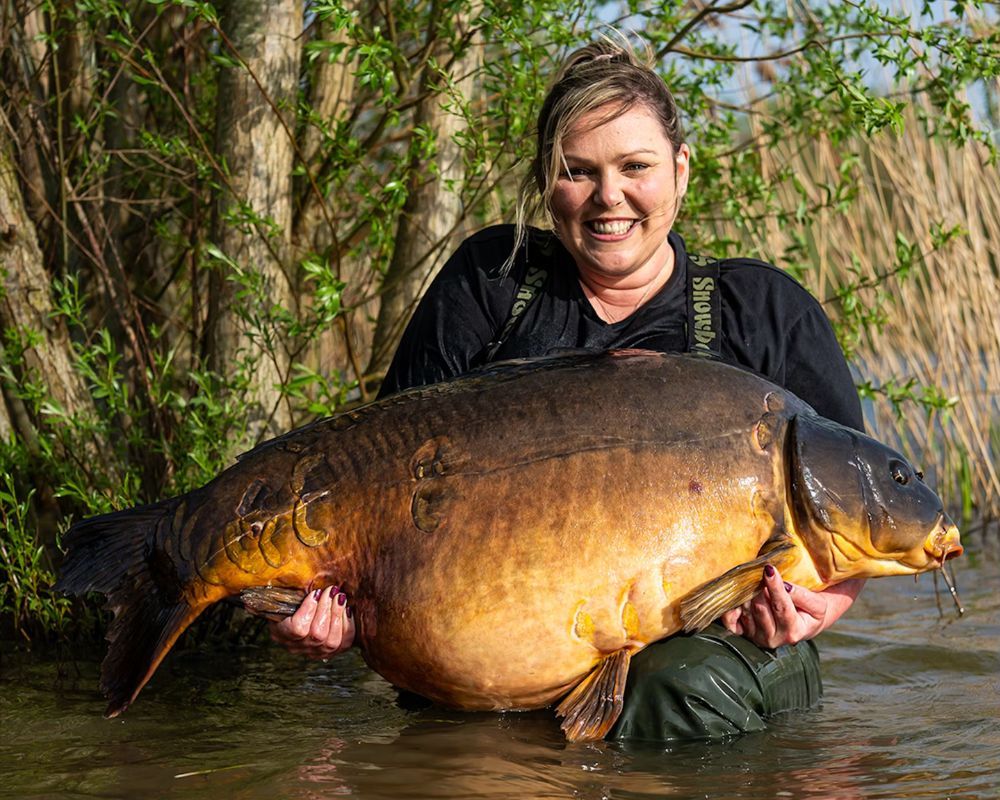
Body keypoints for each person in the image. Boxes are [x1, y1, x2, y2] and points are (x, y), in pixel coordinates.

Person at [270, 38, 866, 741]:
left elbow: (859, 515)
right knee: (448, 743)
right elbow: (377, 479)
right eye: (577, 172)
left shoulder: (764, 312)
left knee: (674, 690)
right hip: (495, 662)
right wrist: (327, 606)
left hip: (711, 663)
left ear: (680, 170)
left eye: (634, 167)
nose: (609, 196)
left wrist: (815, 608)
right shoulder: (494, 282)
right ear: (546, 186)